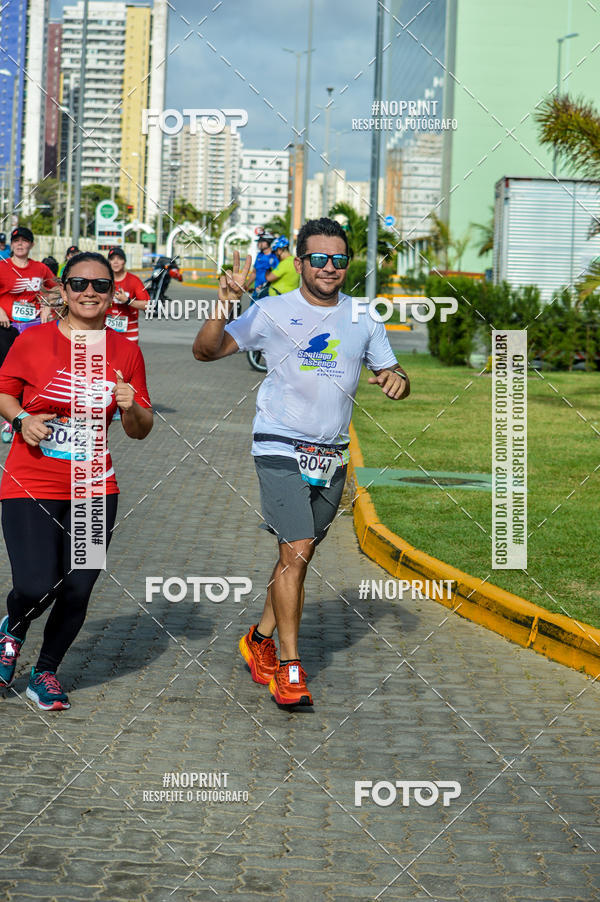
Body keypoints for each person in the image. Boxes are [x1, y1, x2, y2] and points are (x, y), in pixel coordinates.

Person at [193, 217, 410, 707]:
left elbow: (391, 369)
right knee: (298, 546)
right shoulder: (272, 311)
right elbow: (205, 351)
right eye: (318, 258)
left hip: (331, 456)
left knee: (298, 555)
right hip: (279, 446)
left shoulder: (363, 317)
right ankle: (290, 668)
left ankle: (259, 640)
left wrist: (398, 380)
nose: (329, 267)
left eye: (338, 259)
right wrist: (226, 300)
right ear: (300, 263)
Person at [0, 251, 153, 710]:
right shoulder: (33, 340)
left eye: (101, 286)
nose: (90, 292)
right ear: (63, 291)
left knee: (79, 585)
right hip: (31, 480)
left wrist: (131, 405)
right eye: (80, 284)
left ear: (112, 296)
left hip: (94, 485)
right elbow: (5, 392)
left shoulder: (125, 350)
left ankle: (45, 672)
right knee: (35, 584)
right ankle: (12, 629)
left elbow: (141, 430)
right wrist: (23, 418)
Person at [0, 227, 57, 441]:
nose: (20, 244)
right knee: (8, 374)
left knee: (32, 373)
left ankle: (30, 414)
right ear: (11, 245)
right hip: (6, 327)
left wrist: (46, 306)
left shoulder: (40, 268)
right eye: (16, 241)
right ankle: (11, 419)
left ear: (32, 245)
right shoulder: (2, 267)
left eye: (25, 241)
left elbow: (55, 290)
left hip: (32, 329)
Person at [104, 246, 150, 343]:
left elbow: (148, 305)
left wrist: (128, 301)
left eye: (119, 259)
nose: (115, 262)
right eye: (112, 259)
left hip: (129, 333)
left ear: (124, 261)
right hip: (106, 332)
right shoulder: (103, 280)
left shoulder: (134, 281)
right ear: (109, 262)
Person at [249, 233, 277, 300]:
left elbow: (276, 274)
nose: (258, 243)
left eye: (261, 241)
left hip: (267, 292)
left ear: (269, 242)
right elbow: (254, 273)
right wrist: (247, 285)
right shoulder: (259, 255)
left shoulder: (274, 256)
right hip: (257, 290)